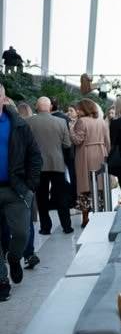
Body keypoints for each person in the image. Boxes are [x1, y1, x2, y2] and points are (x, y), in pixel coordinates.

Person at [0, 87, 42, 301]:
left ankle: (15, 258)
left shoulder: (18, 124)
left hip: (16, 188)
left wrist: (30, 185)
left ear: (3, 98)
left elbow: (35, 155)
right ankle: (2, 281)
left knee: (21, 233)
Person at [27, 97, 73, 234]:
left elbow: (26, 144)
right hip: (57, 164)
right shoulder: (61, 122)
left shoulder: (28, 122)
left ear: (36, 106)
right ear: (50, 107)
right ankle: (66, 226)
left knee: (41, 198)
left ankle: (45, 227)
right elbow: (67, 144)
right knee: (61, 196)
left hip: (37, 166)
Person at [71, 99, 110, 228]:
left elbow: (78, 140)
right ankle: (101, 214)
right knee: (100, 185)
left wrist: (70, 129)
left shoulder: (81, 121)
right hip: (101, 152)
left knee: (85, 187)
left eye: (79, 108)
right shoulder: (101, 121)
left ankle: (85, 218)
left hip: (86, 155)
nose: (77, 111)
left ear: (84, 109)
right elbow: (107, 140)